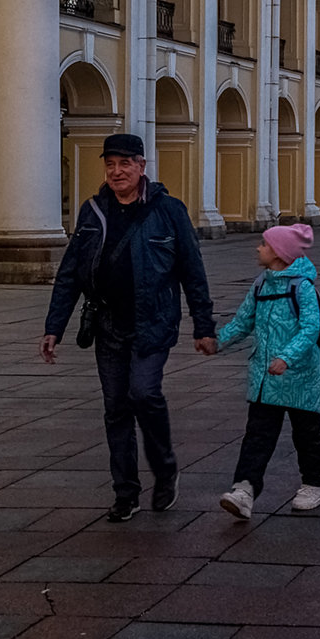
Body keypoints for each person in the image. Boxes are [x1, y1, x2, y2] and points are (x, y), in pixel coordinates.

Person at [42, 134, 217, 522]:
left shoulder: (169, 210)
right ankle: (126, 492)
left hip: (153, 322)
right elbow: (69, 273)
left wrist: (203, 325)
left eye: (125, 164)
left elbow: (193, 271)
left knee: (144, 393)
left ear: (141, 166)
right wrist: (54, 326)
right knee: (115, 408)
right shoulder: (93, 211)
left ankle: (165, 467)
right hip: (107, 325)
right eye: (110, 165)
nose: (117, 172)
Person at [216, 223, 320, 521]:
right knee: (257, 436)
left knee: (307, 435)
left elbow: (310, 330)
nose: (258, 248)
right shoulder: (261, 285)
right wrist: (217, 342)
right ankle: (244, 490)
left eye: (264, 244)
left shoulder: (302, 287)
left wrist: (286, 358)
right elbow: (243, 321)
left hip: (299, 377)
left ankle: (314, 485)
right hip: (265, 378)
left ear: (279, 253)